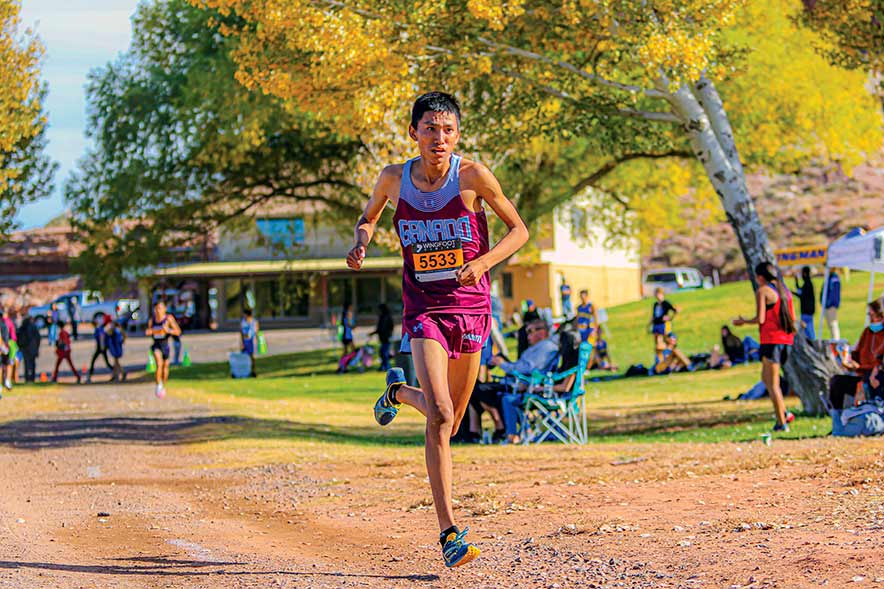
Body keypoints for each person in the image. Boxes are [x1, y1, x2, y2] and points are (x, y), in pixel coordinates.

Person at [346, 92, 528, 568]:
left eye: (447, 129)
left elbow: (519, 231)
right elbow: (368, 218)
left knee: (451, 414)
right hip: (424, 309)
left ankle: (399, 394)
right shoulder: (393, 178)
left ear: (457, 135)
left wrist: (484, 262)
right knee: (443, 416)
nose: (439, 138)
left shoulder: (472, 176)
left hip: (472, 309)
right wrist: (360, 243)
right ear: (414, 133)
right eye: (429, 128)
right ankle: (449, 532)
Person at [733, 262, 797, 432]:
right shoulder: (785, 291)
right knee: (766, 379)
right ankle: (784, 412)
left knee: (773, 383)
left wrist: (743, 321)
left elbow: (760, 319)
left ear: (760, 277)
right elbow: (793, 317)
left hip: (771, 341)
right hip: (786, 341)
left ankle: (781, 422)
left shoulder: (762, 291)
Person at [492, 319, 564, 443]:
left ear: (542, 332)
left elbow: (528, 369)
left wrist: (503, 365)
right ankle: (520, 432)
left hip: (534, 389)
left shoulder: (546, 347)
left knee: (505, 398)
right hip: (528, 385)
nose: (527, 335)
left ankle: (512, 435)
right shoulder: (537, 347)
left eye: (530, 331)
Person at [830, 299, 884, 408]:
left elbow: (879, 363)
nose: (872, 320)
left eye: (874, 316)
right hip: (863, 376)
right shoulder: (867, 332)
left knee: (874, 379)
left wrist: (868, 369)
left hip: (877, 379)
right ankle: (838, 418)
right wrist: (848, 360)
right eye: (870, 315)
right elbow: (856, 354)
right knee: (837, 382)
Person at [146, 300, 182, 398]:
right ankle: (158, 386)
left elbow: (178, 332)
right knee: (159, 364)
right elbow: (148, 330)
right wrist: (150, 332)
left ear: (165, 309)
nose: (158, 310)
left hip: (165, 345)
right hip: (156, 345)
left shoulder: (168, 319)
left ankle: (162, 385)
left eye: (160, 308)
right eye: (156, 308)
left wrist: (168, 330)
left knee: (165, 367)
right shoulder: (152, 320)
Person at [792, 266, 816, 340]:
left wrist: (791, 292)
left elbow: (802, 295)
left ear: (805, 273)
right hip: (809, 310)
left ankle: (811, 341)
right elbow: (800, 290)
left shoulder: (807, 284)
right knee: (809, 328)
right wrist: (796, 281)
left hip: (806, 310)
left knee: (807, 329)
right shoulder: (808, 283)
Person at [86, 316, 113, 383]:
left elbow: (102, 337)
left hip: (101, 347)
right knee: (106, 362)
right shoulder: (99, 328)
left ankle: (89, 377)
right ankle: (115, 372)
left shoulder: (98, 329)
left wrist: (102, 347)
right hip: (101, 347)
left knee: (93, 361)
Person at [370, 303, 394, 372]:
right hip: (384, 338)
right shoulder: (384, 316)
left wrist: (375, 332)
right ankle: (384, 366)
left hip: (386, 338)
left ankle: (386, 367)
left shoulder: (385, 317)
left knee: (384, 353)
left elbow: (382, 328)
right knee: (382, 352)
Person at [18, 315, 40, 383]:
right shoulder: (34, 327)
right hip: (32, 348)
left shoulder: (22, 327)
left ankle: (27, 378)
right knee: (32, 364)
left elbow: (18, 338)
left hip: (25, 348)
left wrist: (20, 346)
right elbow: (38, 338)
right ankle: (32, 378)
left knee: (26, 364)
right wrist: (37, 347)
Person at [822, 269, 841, 340]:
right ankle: (834, 340)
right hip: (827, 305)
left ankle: (836, 341)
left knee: (833, 324)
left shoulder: (834, 279)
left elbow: (834, 293)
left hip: (831, 306)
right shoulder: (829, 278)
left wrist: (830, 303)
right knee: (830, 325)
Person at [240, 308, 259, 377]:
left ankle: (253, 371)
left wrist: (257, 341)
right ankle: (244, 372)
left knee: (252, 357)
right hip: (245, 341)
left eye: (244, 315)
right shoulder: (243, 322)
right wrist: (241, 343)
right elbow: (241, 333)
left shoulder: (254, 322)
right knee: (244, 356)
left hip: (252, 341)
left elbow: (256, 332)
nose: (243, 316)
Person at [1, 309, 17, 389]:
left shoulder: (7, 322)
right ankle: (7, 381)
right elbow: (12, 334)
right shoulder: (8, 322)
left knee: (7, 364)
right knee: (9, 363)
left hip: (8, 344)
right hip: (8, 344)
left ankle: (6, 381)